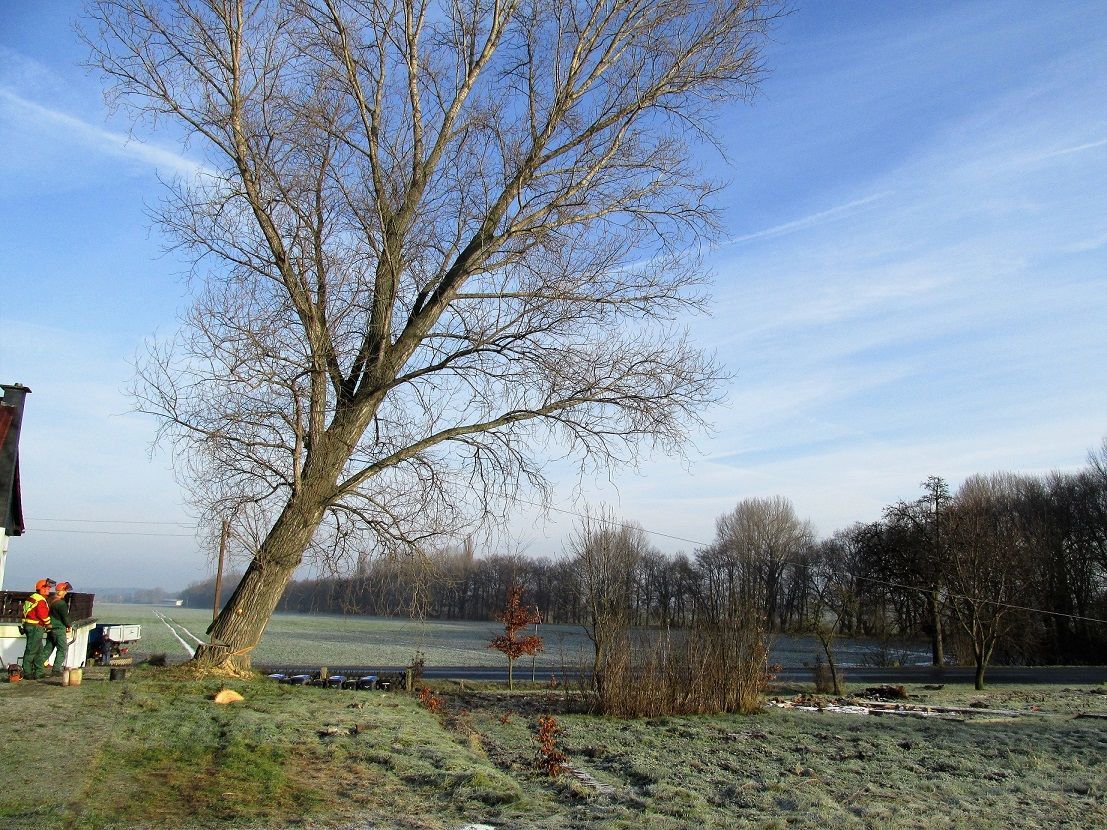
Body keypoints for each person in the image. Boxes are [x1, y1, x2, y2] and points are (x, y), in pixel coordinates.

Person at [20, 579, 54, 680]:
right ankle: (27, 672)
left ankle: (39, 672)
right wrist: (49, 624)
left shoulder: (32, 598)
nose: (48, 590)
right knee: (31, 650)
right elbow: (43, 615)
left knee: (38, 650)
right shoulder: (40, 600)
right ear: (41, 589)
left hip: (29, 626)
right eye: (47, 588)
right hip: (35, 627)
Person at [44, 582, 74, 675]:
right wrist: (69, 625)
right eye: (65, 591)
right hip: (59, 628)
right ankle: (56, 669)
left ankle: (37, 666)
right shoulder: (61, 604)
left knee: (48, 649)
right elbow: (65, 617)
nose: (66, 593)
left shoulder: (50, 600)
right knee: (62, 649)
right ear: (60, 591)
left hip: (50, 627)